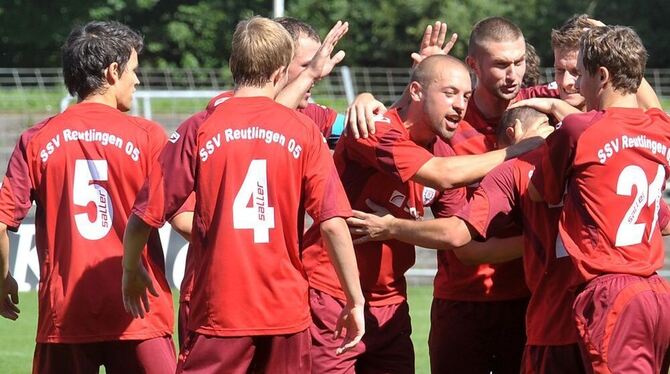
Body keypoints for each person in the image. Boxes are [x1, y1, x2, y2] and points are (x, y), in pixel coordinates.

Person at [122, 16, 365, 373]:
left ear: (233, 64)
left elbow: (145, 215)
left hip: (219, 309)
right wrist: (355, 299)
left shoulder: (200, 127)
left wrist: (129, 267)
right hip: (286, 310)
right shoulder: (303, 130)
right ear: (282, 70)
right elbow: (332, 224)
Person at [303, 54, 546, 373]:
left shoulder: (444, 152)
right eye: (450, 93)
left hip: (390, 305)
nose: (460, 105)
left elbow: (463, 241)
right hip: (332, 297)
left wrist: (392, 228)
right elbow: (441, 174)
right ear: (416, 91)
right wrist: (518, 150)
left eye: (466, 96)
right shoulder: (376, 129)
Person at [0, 21, 175, 373]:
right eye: (134, 71)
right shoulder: (148, 136)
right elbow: (185, 218)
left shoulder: (36, 139)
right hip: (140, 311)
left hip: (66, 315)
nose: (137, 81)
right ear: (113, 72)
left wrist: (2, 279)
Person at [529, 25, 670, 373]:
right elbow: (651, 104)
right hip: (656, 291)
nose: (575, 84)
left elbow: (538, 191)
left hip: (610, 290)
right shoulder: (660, 128)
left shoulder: (580, 129)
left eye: (581, 72)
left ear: (602, 75)